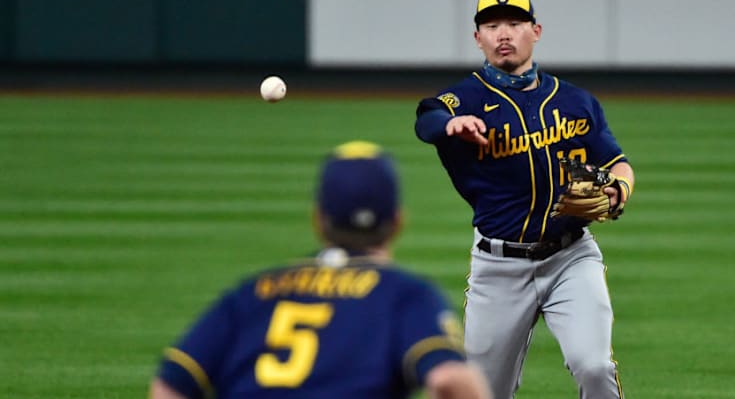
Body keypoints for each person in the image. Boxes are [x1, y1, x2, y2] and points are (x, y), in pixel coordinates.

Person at [414, 0, 634, 399]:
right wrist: (450, 125)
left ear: (536, 31)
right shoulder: (465, 99)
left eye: (514, 23)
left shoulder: (575, 101)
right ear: (477, 38)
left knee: (594, 366)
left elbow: (616, 163)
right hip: (498, 270)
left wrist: (621, 188)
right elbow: (428, 116)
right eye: (491, 25)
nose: (503, 34)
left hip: (571, 257)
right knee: (482, 391)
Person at [149, 140, 492, 399]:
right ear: (398, 222)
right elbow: (449, 380)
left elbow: (170, 383)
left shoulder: (254, 291)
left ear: (318, 220)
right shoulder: (404, 295)